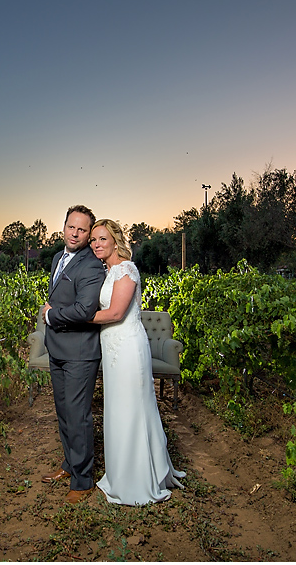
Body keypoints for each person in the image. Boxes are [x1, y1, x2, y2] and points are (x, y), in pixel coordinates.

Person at [88, 218, 185, 505]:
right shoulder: (109, 271)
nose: (96, 244)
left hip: (128, 349)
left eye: (102, 239)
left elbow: (116, 313)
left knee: (132, 408)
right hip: (113, 349)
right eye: (94, 240)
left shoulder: (127, 269)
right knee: (118, 409)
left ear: (116, 240)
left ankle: (138, 479)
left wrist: (78, 318)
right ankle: (121, 473)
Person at [40, 205, 107, 504]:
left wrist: (51, 316)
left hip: (80, 352)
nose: (75, 233)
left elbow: (85, 310)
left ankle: (83, 481)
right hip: (58, 349)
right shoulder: (57, 257)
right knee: (64, 412)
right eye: (71, 227)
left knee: (78, 416)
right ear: (64, 226)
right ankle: (70, 465)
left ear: (88, 233)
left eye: (82, 230)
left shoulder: (91, 264)